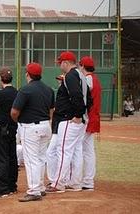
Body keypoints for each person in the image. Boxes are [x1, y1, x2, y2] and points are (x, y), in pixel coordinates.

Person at [46, 51, 91, 193]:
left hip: (69, 119)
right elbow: (89, 99)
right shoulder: (81, 75)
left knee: (63, 151)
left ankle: (58, 183)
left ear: (66, 62)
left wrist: (77, 115)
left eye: (60, 63)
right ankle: (75, 183)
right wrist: (82, 114)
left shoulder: (71, 75)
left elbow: (76, 96)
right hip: (80, 120)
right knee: (76, 151)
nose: (60, 66)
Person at [11, 63, 54, 202]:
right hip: (45, 125)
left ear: (27, 74)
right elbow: (51, 110)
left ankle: (34, 191)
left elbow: (14, 111)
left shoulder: (25, 90)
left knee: (31, 160)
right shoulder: (48, 89)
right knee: (41, 158)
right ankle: (40, 187)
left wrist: (17, 120)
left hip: (30, 127)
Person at [0, 66, 18, 199]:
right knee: (12, 156)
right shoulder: (17, 92)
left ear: (0, 78)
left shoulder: (0, 93)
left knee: (1, 158)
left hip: (1, 128)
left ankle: (2, 188)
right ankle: (12, 186)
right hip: (13, 127)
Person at [79, 56, 102, 191]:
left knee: (76, 149)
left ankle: (75, 180)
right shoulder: (95, 79)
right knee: (88, 151)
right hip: (93, 117)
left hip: (87, 118)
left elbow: (82, 100)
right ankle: (88, 181)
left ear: (82, 66)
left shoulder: (87, 79)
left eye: (80, 66)